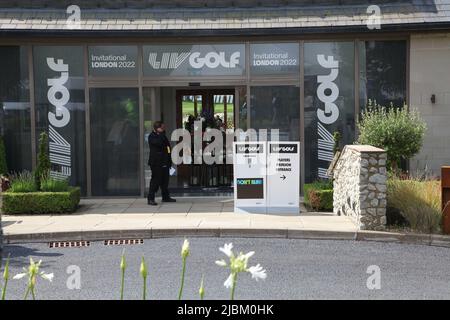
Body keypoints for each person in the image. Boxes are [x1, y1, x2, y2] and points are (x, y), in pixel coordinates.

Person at [147, 121, 176, 205]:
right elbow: (158, 143)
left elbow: (167, 147)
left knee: (165, 181)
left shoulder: (163, 136)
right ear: (157, 128)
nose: (163, 129)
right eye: (162, 128)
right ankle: (150, 198)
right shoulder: (152, 136)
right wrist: (161, 134)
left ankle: (165, 197)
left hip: (165, 161)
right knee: (155, 180)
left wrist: (169, 159)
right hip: (156, 162)